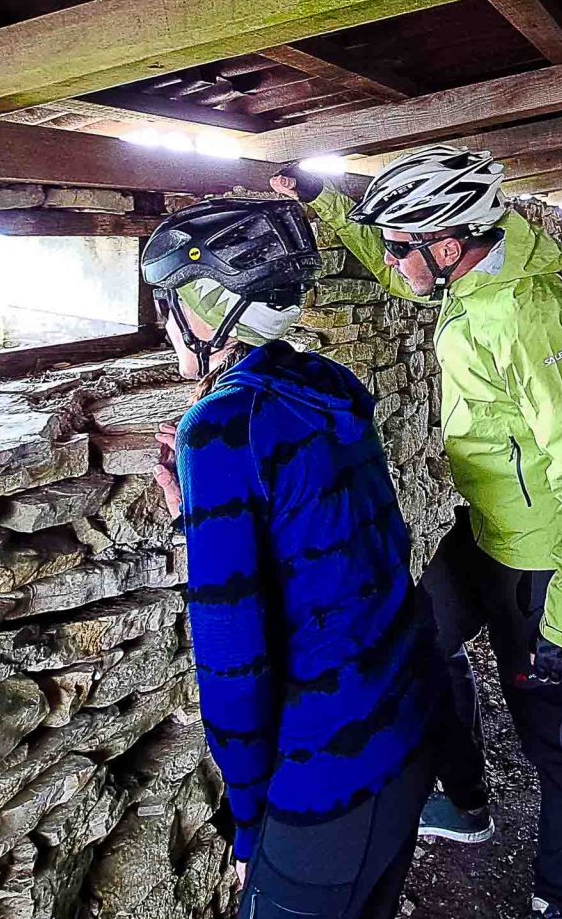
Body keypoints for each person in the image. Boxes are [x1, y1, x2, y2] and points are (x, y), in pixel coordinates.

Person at [273, 146, 562, 919]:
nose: (395, 261)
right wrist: (329, 200)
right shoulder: (465, 279)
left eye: (405, 246)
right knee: (418, 647)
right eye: (396, 244)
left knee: (554, 741)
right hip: (483, 531)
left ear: (452, 240)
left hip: (539, 559)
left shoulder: (523, 318)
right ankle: (467, 803)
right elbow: (394, 265)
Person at [142, 197, 440, 919]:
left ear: (210, 308)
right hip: (404, 721)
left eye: (170, 301)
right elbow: (335, 550)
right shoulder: (321, 387)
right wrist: (205, 523)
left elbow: (232, 659)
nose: (163, 320)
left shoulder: (220, 426)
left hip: (329, 771)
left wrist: (249, 828)